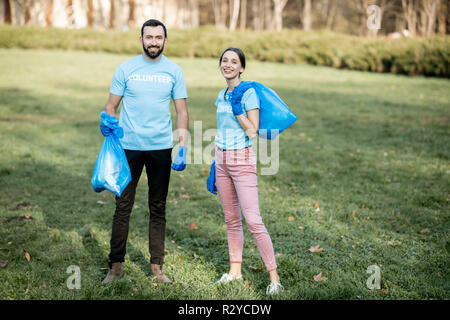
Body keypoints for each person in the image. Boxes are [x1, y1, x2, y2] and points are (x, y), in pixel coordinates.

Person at [101, 19, 189, 284]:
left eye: (158, 37)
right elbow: (111, 105)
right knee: (122, 206)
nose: (153, 42)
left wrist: (182, 145)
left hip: (161, 148)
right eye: (149, 37)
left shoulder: (174, 71)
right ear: (141, 39)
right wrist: (108, 122)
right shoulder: (126, 69)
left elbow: (182, 110)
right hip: (128, 148)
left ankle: (157, 269)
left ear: (165, 40)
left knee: (158, 207)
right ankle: (115, 268)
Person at [209, 47, 283, 295]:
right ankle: (234, 272)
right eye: (224, 60)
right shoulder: (221, 94)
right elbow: (222, 130)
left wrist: (238, 109)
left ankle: (274, 278)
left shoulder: (248, 93)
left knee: (253, 220)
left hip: (242, 161)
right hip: (222, 160)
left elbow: (253, 131)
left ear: (241, 67)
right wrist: (214, 163)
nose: (228, 65)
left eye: (234, 62)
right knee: (231, 220)